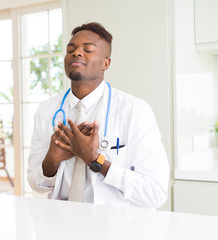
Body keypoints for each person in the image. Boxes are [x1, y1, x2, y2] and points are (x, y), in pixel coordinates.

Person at [27, 22, 169, 209]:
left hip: (115, 229)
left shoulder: (135, 110)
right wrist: (52, 159)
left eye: (88, 49)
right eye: (71, 49)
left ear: (106, 63)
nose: (77, 53)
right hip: (60, 225)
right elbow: (35, 185)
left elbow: (155, 193)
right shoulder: (47, 111)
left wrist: (95, 160)